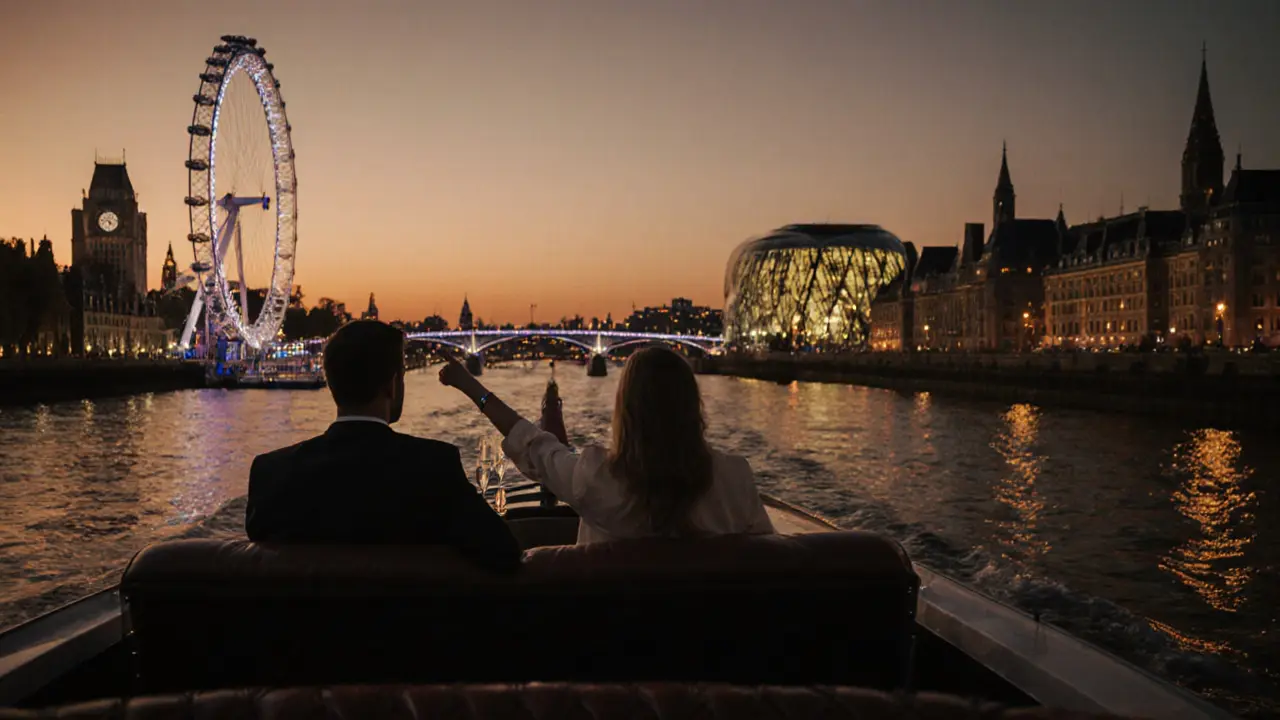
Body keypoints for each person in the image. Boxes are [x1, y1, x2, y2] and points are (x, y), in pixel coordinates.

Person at [245, 320, 521, 573]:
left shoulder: (271, 473)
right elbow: (505, 554)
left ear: (331, 383)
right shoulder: (434, 467)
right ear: (392, 385)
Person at [438, 345, 774, 544]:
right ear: (693, 408)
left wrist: (471, 388)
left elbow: (532, 445)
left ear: (625, 411)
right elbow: (770, 560)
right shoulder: (736, 480)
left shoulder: (597, 478)